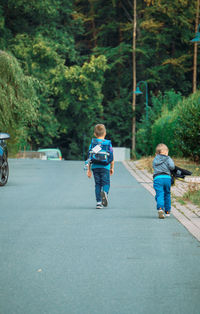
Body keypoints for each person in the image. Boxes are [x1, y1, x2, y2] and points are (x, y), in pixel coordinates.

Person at [87, 124, 114, 209]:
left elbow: (89, 157)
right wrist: (112, 168)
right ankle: (105, 192)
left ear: (95, 134)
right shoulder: (108, 144)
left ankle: (98, 202)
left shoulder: (93, 144)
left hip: (95, 167)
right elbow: (111, 157)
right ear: (105, 133)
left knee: (97, 184)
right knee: (106, 183)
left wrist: (89, 170)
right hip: (105, 167)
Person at [153, 143, 175, 219]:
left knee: (159, 194)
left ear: (157, 153)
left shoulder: (155, 159)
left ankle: (160, 208)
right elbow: (172, 167)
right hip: (167, 178)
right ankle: (168, 211)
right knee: (167, 194)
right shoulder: (168, 158)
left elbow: (154, 167)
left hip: (158, 178)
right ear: (166, 152)